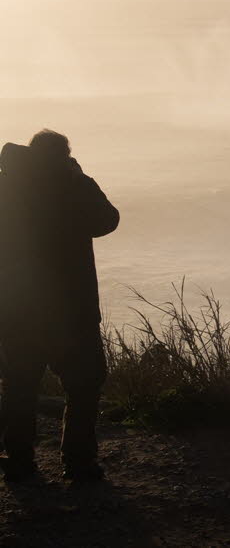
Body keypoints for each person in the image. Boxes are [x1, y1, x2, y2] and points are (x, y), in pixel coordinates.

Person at [0, 131, 119, 482]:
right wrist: (80, 178)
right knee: (83, 385)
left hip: (18, 309)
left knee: (20, 385)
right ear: (64, 155)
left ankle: (19, 460)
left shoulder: (7, 187)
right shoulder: (72, 186)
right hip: (73, 310)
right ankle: (78, 461)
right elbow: (107, 221)